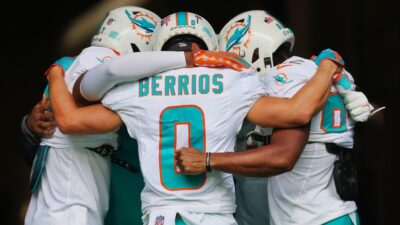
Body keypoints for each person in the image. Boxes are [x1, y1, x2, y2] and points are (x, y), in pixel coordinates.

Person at [46, 11, 344, 225]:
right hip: (216, 216)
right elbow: (298, 111)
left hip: (162, 216)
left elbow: (71, 120)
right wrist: (327, 65)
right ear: (209, 46)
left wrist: (57, 73)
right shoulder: (234, 82)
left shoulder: (135, 90)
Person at [177, 10, 375, 225]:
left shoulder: (282, 77)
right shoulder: (318, 70)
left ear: (252, 53)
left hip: (310, 217)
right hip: (334, 213)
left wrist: (208, 160)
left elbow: (284, 155)